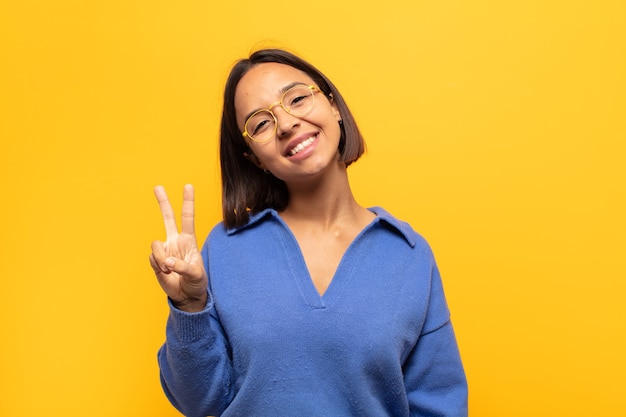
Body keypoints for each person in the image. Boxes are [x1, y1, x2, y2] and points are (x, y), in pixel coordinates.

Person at [149, 48, 468, 417]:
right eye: (260, 124)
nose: (285, 124)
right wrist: (190, 306)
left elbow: (440, 405)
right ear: (254, 158)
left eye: (297, 98)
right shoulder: (224, 249)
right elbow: (197, 402)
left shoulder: (408, 255)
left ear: (333, 105)